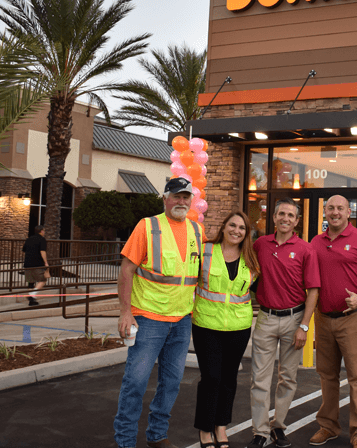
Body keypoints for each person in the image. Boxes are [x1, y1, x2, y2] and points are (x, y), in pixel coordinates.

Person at [114, 177, 204, 448]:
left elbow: (196, 276)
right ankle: (125, 441)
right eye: (176, 196)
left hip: (181, 321)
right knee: (136, 383)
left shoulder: (197, 231)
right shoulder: (148, 226)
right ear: (165, 198)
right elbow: (126, 270)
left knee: (172, 383)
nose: (182, 201)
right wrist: (125, 312)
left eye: (186, 196)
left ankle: (157, 436)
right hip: (148, 318)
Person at [309, 195, 357, 448]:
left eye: (340, 208)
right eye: (330, 208)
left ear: (348, 212)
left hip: (353, 320)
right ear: (325, 212)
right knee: (327, 376)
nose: (335, 212)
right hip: (323, 319)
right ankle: (328, 426)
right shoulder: (316, 242)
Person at [248, 198, 320, 448]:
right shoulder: (260, 244)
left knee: (288, 377)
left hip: (294, 320)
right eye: (281, 214)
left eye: (290, 215)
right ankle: (260, 431)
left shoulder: (305, 249)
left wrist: (304, 326)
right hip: (265, 318)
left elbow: (313, 291)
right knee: (260, 378)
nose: (285, 218)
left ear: (297, 220)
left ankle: (278, 426)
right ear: (274, 217)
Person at [192, 212, 260, 448]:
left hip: (239, 327)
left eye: (242, 227)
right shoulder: (205, 251)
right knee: (211, 377)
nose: (236, 230)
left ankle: (221, 427)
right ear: (223, 227)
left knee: (229, 379)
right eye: (232, 225)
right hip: (206, 325)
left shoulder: (251, 258)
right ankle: (205, 430)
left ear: (246, 233)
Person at [22, 225, 49, 306]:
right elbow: (42, 251)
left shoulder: (29, 239)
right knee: (43, 280)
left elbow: (24, 250)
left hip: (27, 263)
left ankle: (32, 301)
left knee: (31, 282)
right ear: (41, 231)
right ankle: (32, 294)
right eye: (44, 230)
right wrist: (46, 262)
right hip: (37, 263)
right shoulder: (42, 239)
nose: (44, 232)